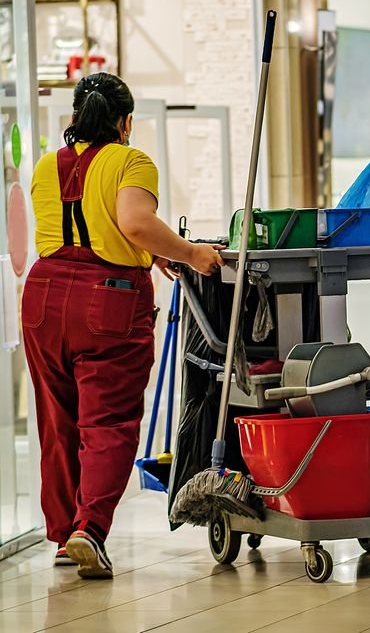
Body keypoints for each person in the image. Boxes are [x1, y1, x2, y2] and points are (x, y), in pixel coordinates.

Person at [21, 73, 225, 579]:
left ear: (75, 119)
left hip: (44, 296)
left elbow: (87, 227)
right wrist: (189, 254)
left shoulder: (49, 165)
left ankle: (66, 534)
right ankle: (90, 528)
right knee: (107, 422)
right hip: (107, 301)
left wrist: (149, 252)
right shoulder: (131, 160)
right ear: (125, 121)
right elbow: (132, 222)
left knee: (58, 420)